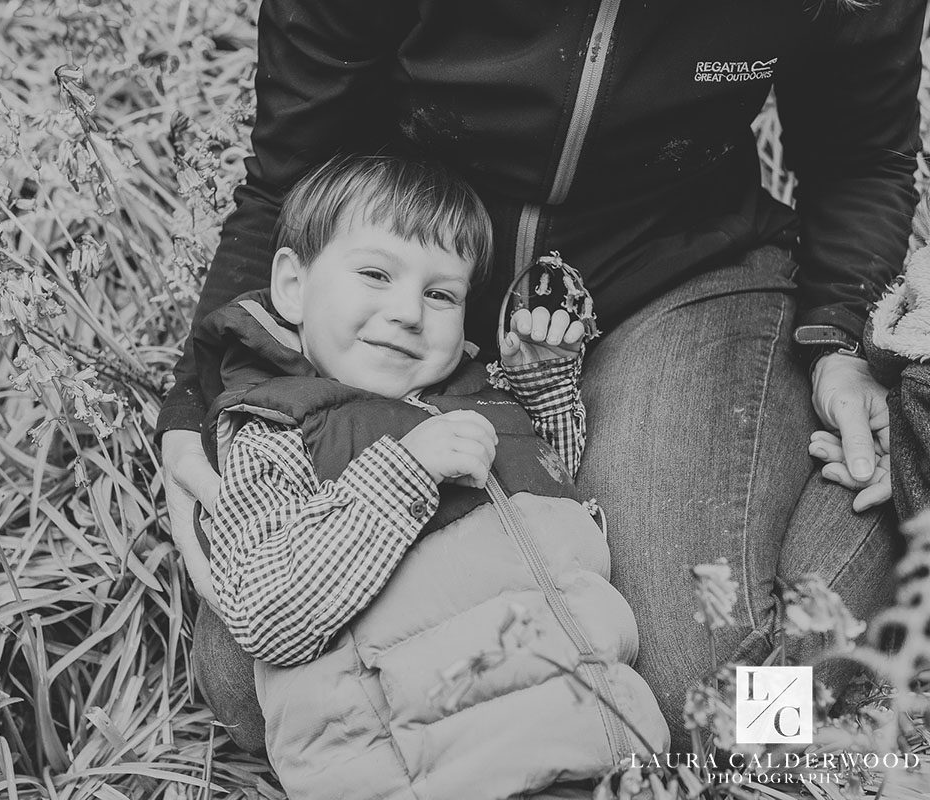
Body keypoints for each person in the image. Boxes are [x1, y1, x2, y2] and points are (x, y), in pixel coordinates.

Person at [160, 0, 926, 746]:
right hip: (431, 292)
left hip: (679, 265)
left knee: (696, 700)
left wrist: (843, 345)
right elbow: (288, 171)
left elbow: (861, 155)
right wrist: (198, 404)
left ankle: (853, 676)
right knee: (248, 690)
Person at [193, 154, 667, 799]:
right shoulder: (273, 432)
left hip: (592, 741)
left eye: (440, 294)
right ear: (293, 286)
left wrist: (542, 385)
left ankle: (804, 745)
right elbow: (267, 614)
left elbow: (551, 486)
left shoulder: (473, 395)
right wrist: (405, 474)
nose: (409, 313)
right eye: (375, 274)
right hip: (425, 771)